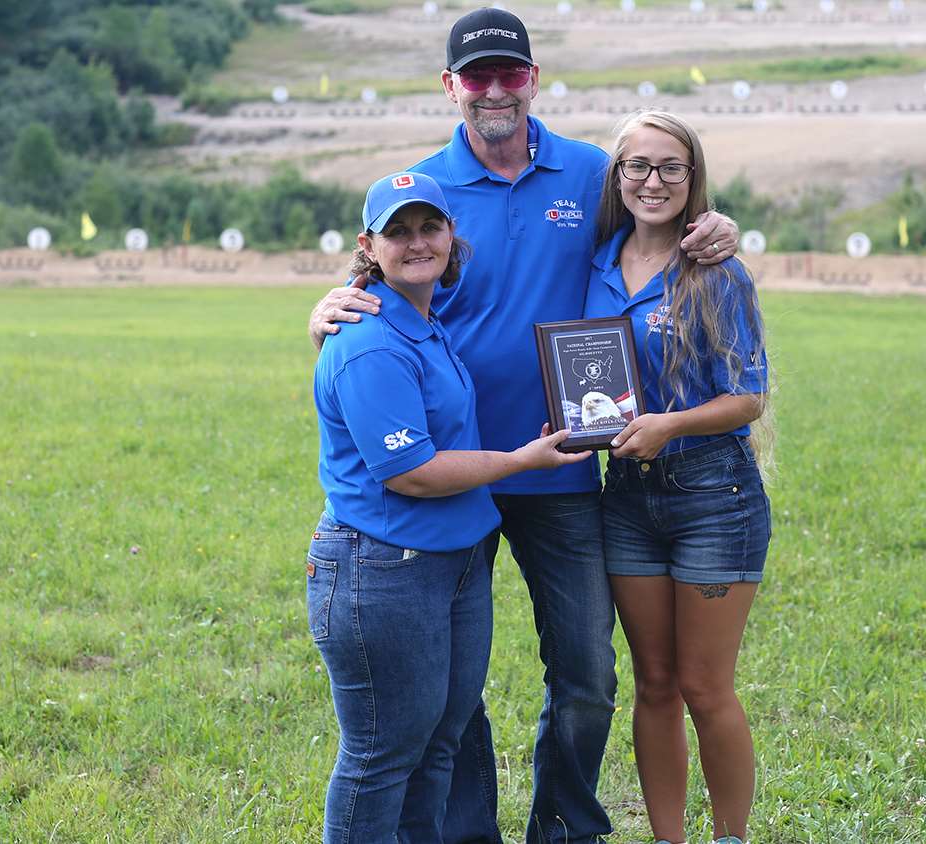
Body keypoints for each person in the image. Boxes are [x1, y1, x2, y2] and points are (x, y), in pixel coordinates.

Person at [307, 9, 740, 842]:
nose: (495, 90)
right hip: (453, 477)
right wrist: (324, 306)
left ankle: (565, 827)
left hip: (565, 467)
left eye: (511, 74)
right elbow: (383, 287)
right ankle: (468, 834)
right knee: (453, 693)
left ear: (534, 80)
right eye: (478, 77)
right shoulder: (425, 189)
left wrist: (715, 227)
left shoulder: (590, 173)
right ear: (451, 88)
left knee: (586, 673)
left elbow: (663, 208)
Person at [308, 170, 591, 843]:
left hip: (452, 561)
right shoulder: (368, 338)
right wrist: (522, 460)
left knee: (439, 744)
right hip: (384, 568)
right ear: (367, 245)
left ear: (450, 233)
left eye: (428, 226)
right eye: (397, 231)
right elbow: (412, 472)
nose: (416, 242)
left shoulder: (425, 321)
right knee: (383, 757)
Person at [582, 111, 775, 844]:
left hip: (713, 496)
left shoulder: (717, 270)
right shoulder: (593, 263)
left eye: (671, 167)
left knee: (704, 687)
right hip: (626, 498)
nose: (653, 181)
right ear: (618, 177)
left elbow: (749, 396)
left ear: (693, 179)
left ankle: (729, 838)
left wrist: (669, 424)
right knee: (654, 685)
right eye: (638, 166)